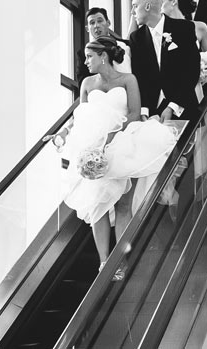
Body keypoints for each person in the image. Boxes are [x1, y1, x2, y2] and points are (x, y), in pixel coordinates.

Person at [53, 37, 178, 272]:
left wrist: (110, 138)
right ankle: (104, 262)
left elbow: (133, 112)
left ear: (103, 56)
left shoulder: (128, 80)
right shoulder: (87, 84)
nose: (86, 61)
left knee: (123, 205)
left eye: (90, 56)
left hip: (122, 144)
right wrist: (68, 135)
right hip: (93, 147)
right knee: (96, 204)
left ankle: (121, 260)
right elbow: (80, 115)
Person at [161, 0, 207, 187]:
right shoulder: (160, 30)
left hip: (194, 87)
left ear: (173, 2)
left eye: (162, 1)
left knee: (196, 133)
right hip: (171, 89)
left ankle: (200, 181)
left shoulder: (199, 27)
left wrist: (205, 70)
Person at [128, 0, 201, 121]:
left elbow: (192, 70)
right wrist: (144, 110)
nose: (132, 11)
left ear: (148, 6)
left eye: (135, 6)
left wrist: (172, 106)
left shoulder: (184, 28)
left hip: (182, 108)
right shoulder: (136, 38)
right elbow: (139, 76)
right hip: (151, 114)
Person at [76, 7, 131, 83]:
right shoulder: (82, 54)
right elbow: (82, 84)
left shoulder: (125, 45)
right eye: (92, 23)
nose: (96, 26)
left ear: (108, 23)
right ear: (87, 28)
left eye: (100, 21)